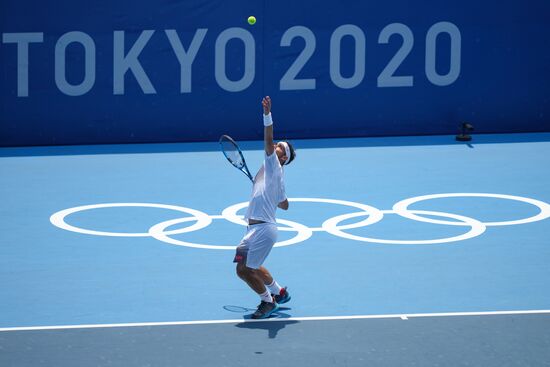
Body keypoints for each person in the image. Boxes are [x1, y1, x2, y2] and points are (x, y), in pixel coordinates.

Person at [233, 96, 296, 319]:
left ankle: (267, 302)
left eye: (280, 147)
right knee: (251, 265)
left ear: (283, 157)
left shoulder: (273, 163)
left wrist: (267, 114)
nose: (276, 146)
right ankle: (279, 292)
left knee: (243, 270)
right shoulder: (276, 176)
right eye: (277, 145)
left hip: (263, 229)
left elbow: (267, 139)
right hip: (253, 229)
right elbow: (285, 205)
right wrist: (266, 191)